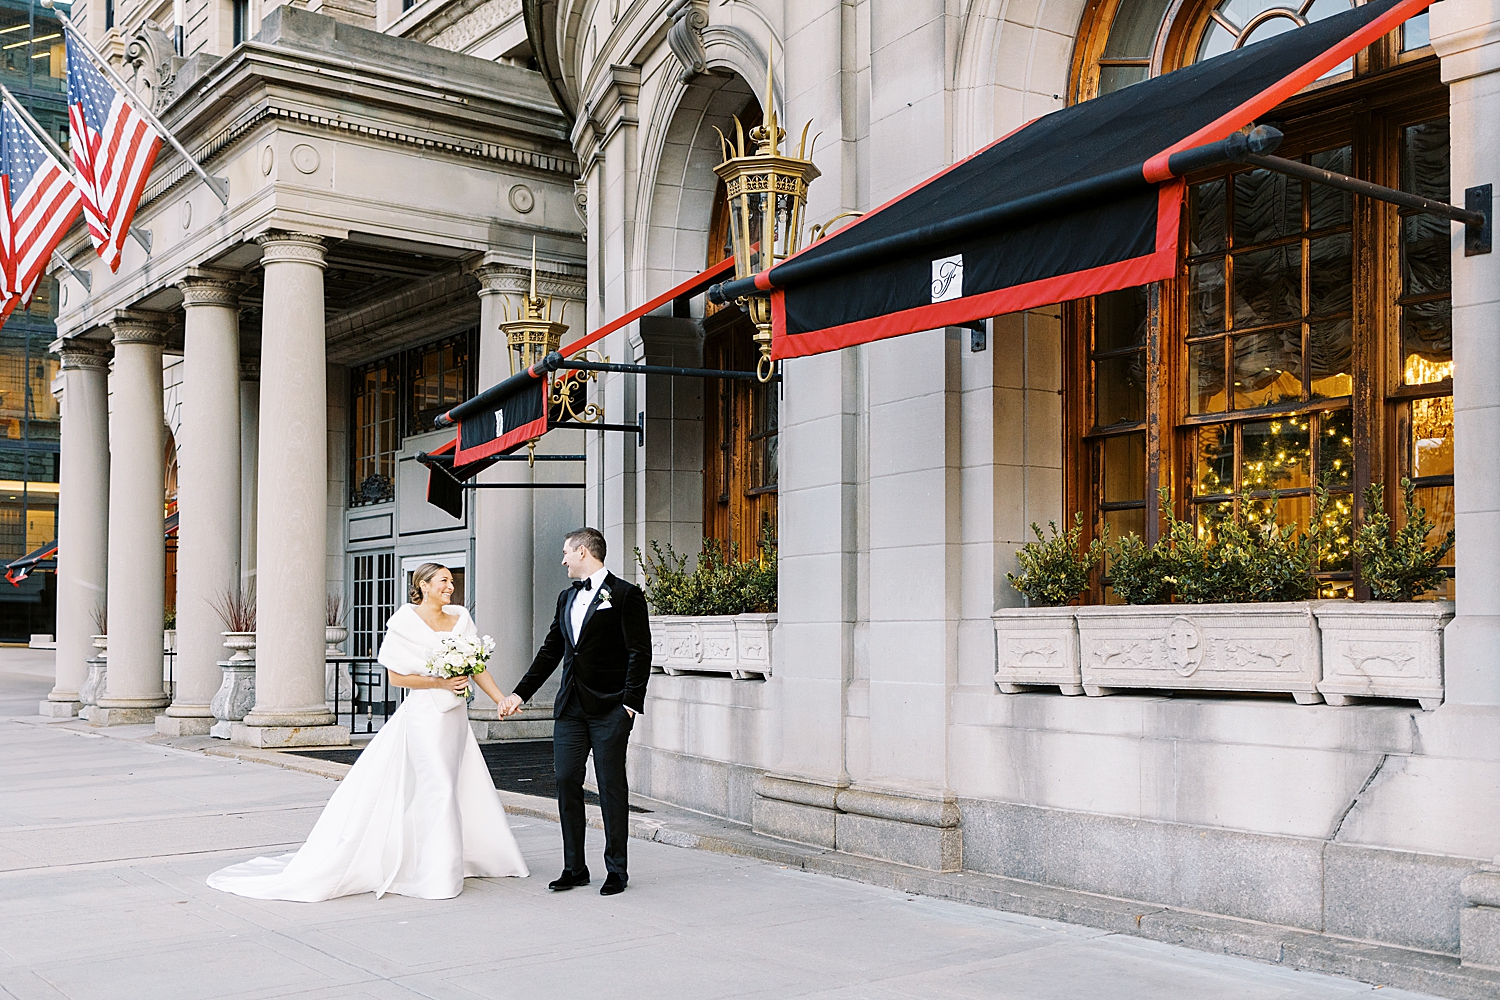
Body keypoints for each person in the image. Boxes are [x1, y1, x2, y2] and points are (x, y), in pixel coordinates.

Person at [206, 563, 529, 901]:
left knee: (458, 781)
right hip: (424, 716)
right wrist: (440, 681)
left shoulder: (461, 617)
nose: (450, 586)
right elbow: (396, 678)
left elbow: (477, 667)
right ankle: (436, 873)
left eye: (451, 581)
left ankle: (462, 857)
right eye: (444, 580)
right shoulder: (404, 622)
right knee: (439, 786)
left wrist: (500, 699)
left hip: (454, 717)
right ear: (425, 584)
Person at [500, 527, 651, 896]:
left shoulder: (626, 595)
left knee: (610, 786)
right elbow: (551, 650)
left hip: (610, 709)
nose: (563, 559)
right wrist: (520, 694)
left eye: (567, 552)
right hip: (570, 708)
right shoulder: (566, 598)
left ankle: (616, 869)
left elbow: (639, 651)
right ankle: (575, 867)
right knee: (566, 780)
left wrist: (630, 704)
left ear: (584, 552)